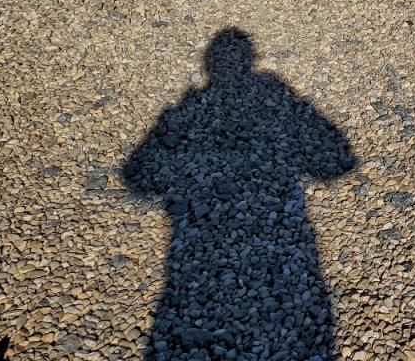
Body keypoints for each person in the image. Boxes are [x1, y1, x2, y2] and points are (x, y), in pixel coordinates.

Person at [123, 28, 357, 360]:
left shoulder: (188, 109)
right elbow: (340, 161)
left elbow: (136, 176)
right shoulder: (274, 93)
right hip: (285, 251)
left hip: (193, 265)